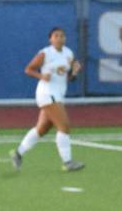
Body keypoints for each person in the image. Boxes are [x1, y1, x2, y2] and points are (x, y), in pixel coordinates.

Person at [11, 27, 85, 172]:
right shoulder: (46, 53)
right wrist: (41, 76)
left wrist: (75, 72)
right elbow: (28, 69)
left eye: (62, 35)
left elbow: (68, 77)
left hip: (58, 94)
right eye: (56, 36)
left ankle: (18, 153)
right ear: (50, 39)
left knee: (42, 129)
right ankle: (67, 162)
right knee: (64, 126)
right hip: (47, 93)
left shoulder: (68, 53)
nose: (59, 38)